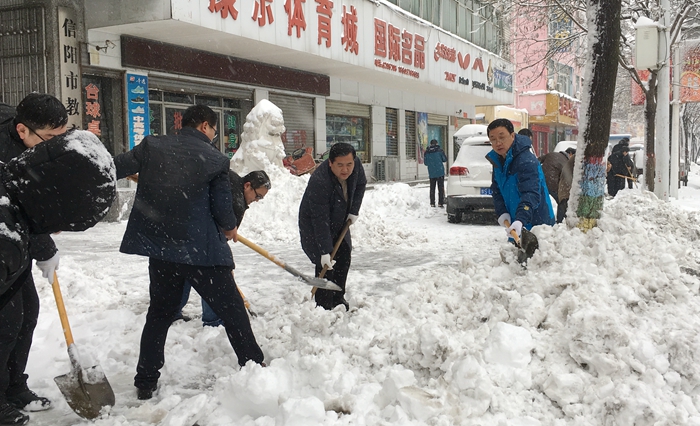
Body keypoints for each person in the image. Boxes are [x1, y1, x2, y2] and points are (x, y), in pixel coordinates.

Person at [114, 104, 265, 401]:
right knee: (233, 310)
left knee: (159, 314)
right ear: (205, 126)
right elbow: (223, 210)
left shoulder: (152, 146)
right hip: (202, 252)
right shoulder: (216, 160)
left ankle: (145, 379)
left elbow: (115, 166)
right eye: (213, 130)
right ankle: (254, 366)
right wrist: (230, 227)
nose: (213, 136)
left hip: (162, 251)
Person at [0, 129, 116, 426]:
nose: (59, 230)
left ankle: (12, 388)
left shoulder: (14, 186)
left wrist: (42, 247)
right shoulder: (6, 243)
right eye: (60, 221)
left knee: (23, 317)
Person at [0, 94, 68, 421]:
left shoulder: (33, 148)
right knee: (5, 323)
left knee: (27, 314)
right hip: (3, 250)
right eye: (51, 139)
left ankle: (14, 387)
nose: (55, 146)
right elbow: (17, 209)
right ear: (23, 129)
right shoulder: (4, 159)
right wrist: (43, 247)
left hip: (16, 248)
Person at [175, 170, 271, 327]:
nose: (257, 200)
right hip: (201, 235)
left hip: (187, 224)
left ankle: (172, 310)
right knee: (212, 274)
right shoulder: (237, 203)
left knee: (188, 269)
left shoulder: (230, 179)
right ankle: (213, 319)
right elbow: (221, 237)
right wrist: (225, 263)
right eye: (258, 196)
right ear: (248, 186)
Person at [299, 142, 366, 311]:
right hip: (315, 224)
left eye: (349, 164)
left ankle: (338, 297)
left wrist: (354, 210)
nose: (346, 170)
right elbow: (320, 219)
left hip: (340, 217)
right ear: (330, 163)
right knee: (326, 265)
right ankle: (324, 305)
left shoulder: (355, 165)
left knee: (343, 257)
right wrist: (324, 250)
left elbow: (360, 184)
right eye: (340, 165)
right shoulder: (319, 181)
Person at [486, 118, 555, 240]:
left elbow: (531, 193)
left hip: (537, 225)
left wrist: (520, 220)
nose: (498, 143)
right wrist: (502, 212)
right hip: (516, 225)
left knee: (538, 258)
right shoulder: (498, 161)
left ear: (512, 136)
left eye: (502, 137)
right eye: (493, 139)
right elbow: (497, 191)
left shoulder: (526, 160)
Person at [423, 139, 447, 207]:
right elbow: (445, 159)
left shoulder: (427, 152)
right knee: (440, 188)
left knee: (432, 188)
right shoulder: (440, 150)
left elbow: (426, 163)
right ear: (436, 143)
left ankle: (432, 203)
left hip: (432, 173)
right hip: (440, 172)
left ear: (430, 144)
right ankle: (440, 202)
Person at [557, 153, 576, 223]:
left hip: (565, 188)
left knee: (563, 208)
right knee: (566, 212)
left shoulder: (573, 159)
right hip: (567, 189)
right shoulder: (578, 158)